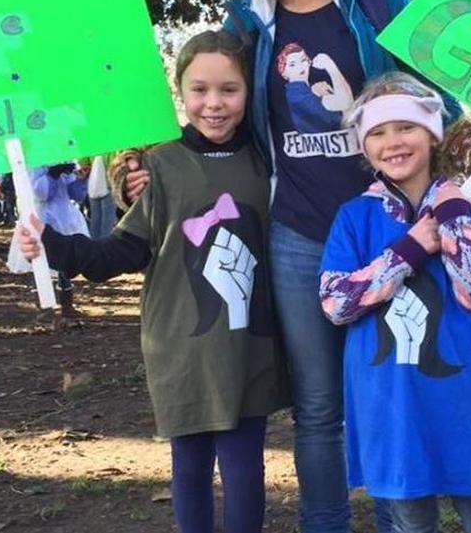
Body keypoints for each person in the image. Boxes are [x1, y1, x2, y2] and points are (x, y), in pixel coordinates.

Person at [123, 0, 471, 529]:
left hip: (395, 225)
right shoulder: (247, 16)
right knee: (317, 406)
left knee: (407, 377)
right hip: (301, 235)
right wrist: (149, 168)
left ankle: (408, 511)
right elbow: (222, 109)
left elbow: (436, 105)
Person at [17, 31, 289, 533]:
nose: (214, 103)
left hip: (251, 343)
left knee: (245, 468)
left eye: (229, 89)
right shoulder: (161, 166)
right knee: (189, 467)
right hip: (181, 345)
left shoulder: (268, 160)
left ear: (249, 91)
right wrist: (52, 243)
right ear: (180, 93)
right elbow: (120, 252)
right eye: (199, 90)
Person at [319, 73, 471, 533]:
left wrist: (452, 217)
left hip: (461, 398)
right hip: (388, 403)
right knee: (410, 521)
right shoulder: (354, 217)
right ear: (364, 146)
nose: (393, 142)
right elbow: (335, 304)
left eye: (406, 127)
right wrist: (409, 248)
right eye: (377, 132)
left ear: (432, 134)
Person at [31, 163, 89, 319]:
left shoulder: (62, 157)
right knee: (41, 262)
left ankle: (67, 305)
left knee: (65, 262)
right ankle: (45, 306)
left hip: (65, 218)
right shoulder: (34, 164)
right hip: (42, 218)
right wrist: (53, 174)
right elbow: (40, 194)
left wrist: (81, 179)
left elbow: (76, 195)